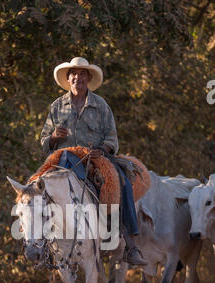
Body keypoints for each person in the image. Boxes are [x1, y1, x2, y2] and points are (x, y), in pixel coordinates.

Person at [40, 57, 146, 266]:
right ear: (68, 79)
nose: (78, 78)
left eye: (82, 75)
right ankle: (43, 246)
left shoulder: (101, 105)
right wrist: (53, 137)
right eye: (74, 75)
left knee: (122, 182)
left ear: (88, 79)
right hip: (64, 159)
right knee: (38, 188)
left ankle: (131, 244)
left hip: (95, 158)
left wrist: (103, 149)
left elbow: (112, 138)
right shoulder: (57, 106)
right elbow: (44, 141)